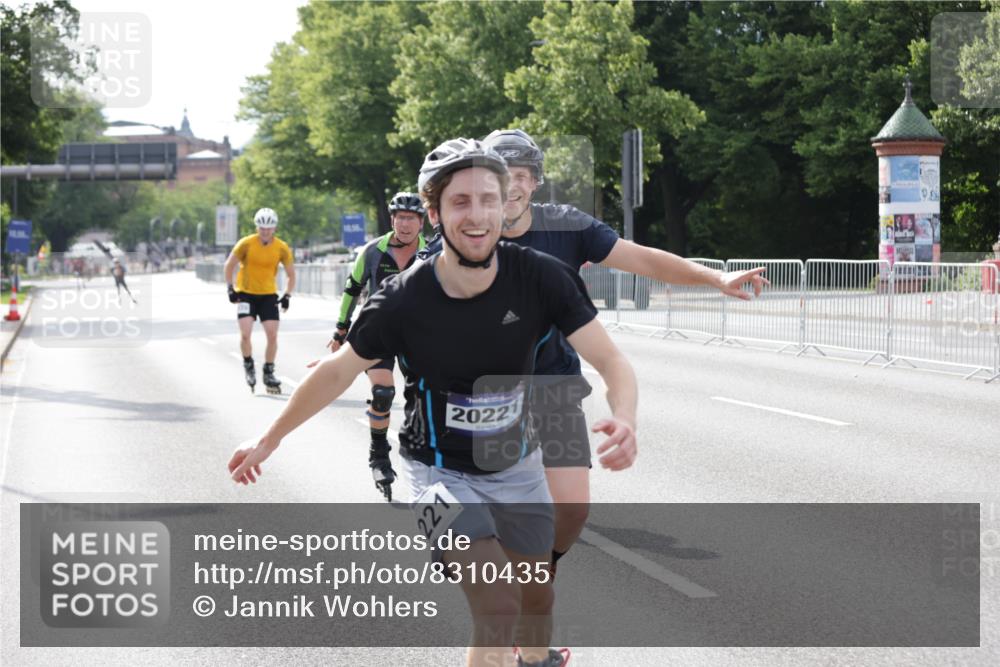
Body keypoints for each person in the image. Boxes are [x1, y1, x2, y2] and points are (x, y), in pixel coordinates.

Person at [229, 139, 638, 667]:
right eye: (460, 202)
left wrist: (624, 416)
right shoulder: (403, 299)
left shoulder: (540, 277)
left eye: (488, 199)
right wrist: (268, 439)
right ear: (434, 212)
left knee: (537, 595)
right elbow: (335, 372)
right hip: (436, 474)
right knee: (497, 603)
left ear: (506, 202)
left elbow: (611, 362)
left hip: (519, 467)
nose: (477, 215)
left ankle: (537, 661)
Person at [456, 129, 762, 576]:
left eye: (523, 175)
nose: (513, 185)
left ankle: (542, 568)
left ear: (536, 181)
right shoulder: (466, 235)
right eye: (504, 175)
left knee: (573, 510)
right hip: (488, 391)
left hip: (554, 385)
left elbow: (643, 259)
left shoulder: (566, 225)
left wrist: (715, 278)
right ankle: (515, 588)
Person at [328, 191, 427, 501]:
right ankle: (379, 454)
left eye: (411, 219)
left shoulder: (434, 252)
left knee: (426, 398)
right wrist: (341, 328)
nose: (405, 224)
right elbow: (352, 288)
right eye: (400, 218)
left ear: (422, 222)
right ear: (392, 219)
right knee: (383, 392)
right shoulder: (372, 252)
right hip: (378, 331)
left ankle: (428, 459)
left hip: (418, 333)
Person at [223, 207, 296, 394]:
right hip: (246, 293)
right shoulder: (246, 244)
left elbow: (291, 275)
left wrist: (287, 295)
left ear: (274, 228)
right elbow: (229, 265)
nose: (265, 232)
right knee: (245, 334)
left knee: (272, 335)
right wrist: (230, 288)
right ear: (257, 228)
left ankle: (268, 371)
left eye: (269, 228)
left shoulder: (281, 247)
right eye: (262, 228)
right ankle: (248, 365)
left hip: (268, 295)